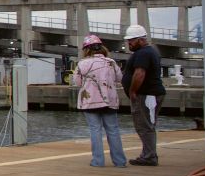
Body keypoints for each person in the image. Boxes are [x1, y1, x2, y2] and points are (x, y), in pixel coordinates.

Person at [71, 34, 125, 167]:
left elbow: (77, 82)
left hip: (90, 102)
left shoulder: (82, 64)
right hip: (109, 101)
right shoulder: (111, 62)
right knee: (113, 130)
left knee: (95, 130)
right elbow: (119, 78)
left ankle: (98, 161)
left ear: (86, 49)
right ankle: (120, 161)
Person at [124, 24, 166, 165]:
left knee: (144, 125)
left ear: (141, 40)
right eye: (128, 40)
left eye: (132, 40)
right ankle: (148, 154)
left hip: (147, 95)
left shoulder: (143, 53)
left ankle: (149, 156)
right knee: (147, 124)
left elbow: (139, 73)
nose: (129, 43)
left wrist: (133, 90)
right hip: (150, 94)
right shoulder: (149, 52)